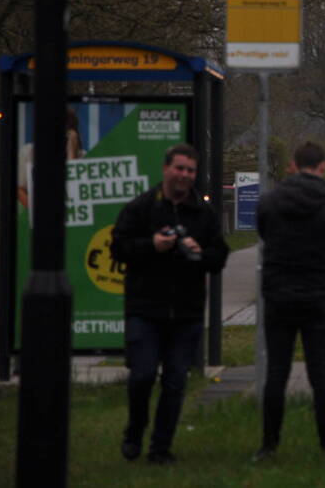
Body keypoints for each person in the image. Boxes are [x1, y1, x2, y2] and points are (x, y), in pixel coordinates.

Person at [111, 143, 228, 464]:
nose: (184, 175)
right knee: (142, 375)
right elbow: (118, 248)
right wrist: (153, 245)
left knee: (176, 382)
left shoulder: (203, 214)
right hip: (145, 309)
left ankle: (160, 449)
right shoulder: (142, 207)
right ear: (165, 169)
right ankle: (134, 432)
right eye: (179, 168)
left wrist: (199, 252)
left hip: (186, 313)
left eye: (190, 170)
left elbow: (220, 256)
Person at [253, 141, 325, 462]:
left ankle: (269, 446)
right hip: (316, 298)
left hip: (278, 297)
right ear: (322, 167)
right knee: (319, 374)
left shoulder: (269, 203)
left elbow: (263, 233)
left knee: (276, 373)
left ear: (293, 165)